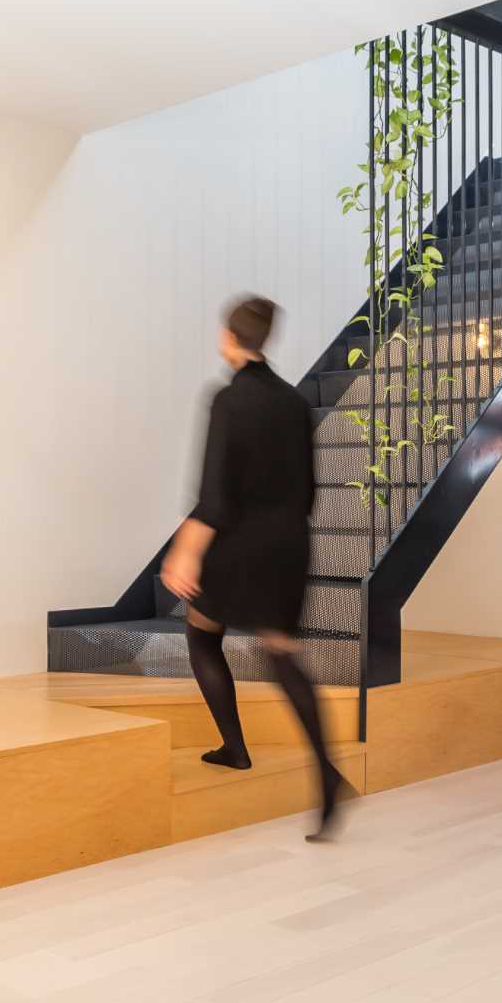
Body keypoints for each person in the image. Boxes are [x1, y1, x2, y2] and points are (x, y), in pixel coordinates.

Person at [160, 293, 349, 840]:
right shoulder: (293, 403)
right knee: (284, 657)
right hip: (289, 545)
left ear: (228, 336)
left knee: (201, 633)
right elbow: (310, 490)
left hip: (239, 547)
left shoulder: (227, 399)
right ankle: (326, 777)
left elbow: (214, 498)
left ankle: (235, 746)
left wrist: (186, 550)